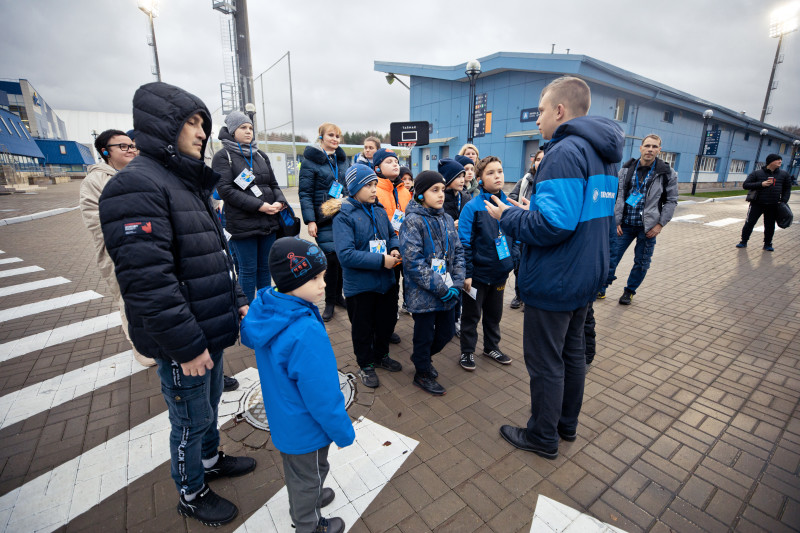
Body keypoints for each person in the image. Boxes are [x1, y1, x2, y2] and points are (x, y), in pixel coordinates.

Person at [99, 82, 255, 526]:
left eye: (203, 123)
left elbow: (218, 254)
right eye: (191, 122)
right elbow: (149, 284)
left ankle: (209, 461)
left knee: (207, 410)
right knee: (188, 420)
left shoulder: (185, 182)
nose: (201, 131)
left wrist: (238, 299)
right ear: (162, 125)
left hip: (209, 324)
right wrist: (185, 346)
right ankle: (191, 490)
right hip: (183, 341)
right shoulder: (137, 186)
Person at [485, 76, 623, 459]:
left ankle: (542, 436)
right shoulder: (604, 154)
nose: (538, 120)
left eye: (542, 111)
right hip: (585, 272)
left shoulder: (563, 152)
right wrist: (536, 211)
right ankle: (566, 425)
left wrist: (508, 216)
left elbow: (554, 225)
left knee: (546, 362)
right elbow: (578, 216)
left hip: (557, 278)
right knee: (572, 354)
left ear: (560, 111)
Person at [241, 237, 354, 533]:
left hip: (284, 418)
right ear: (292, 282)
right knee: (311, 473)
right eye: (315, 278)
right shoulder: (303, 331)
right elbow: (322, 393)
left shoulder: (270, 307)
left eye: (324, 277)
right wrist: (341, 430)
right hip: (307, 427)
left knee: (298, 473)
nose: (324, 285)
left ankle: (310, 498)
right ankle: (309, 524)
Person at [79, 129, 155, 368]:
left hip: (151, 249)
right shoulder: (95, 181)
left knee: (153, 296)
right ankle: (140, 347)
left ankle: (156, 340)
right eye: (122, 146)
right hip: (119, 254)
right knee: (128, 300)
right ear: (105, 152)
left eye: (131, 145)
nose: (131, 149)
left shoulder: (143, 175)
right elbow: (96, 221)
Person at [330, 164, 403, 388]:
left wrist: (394, 248)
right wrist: (382, 260)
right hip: (361, 287)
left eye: (374, 185)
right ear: (354, 188)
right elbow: (346, 255)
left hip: (386, 282)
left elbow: (392, 234)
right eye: (368, 186)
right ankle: (366, 365)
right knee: (362, 328)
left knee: (386, 322)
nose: (374, 190)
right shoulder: (343, 216)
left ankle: (381, 356)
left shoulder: (380, 210)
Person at [400, 171, 465, 395]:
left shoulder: (446, 218)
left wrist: (456, 284)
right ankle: (422, 373)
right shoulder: (412, 221)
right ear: (420, 195)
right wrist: (440, 287)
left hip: (447, 290)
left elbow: (458, 252)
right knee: (424, 335)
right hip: (424, 293)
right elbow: (413, 262)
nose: (440, 194)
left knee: (446, 333)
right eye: (434, 190)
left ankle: (422, 358)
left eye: (442, 189)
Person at [213, 111, 287, 303]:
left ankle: (263, 308)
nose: (248, 132)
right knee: (247, 270)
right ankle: (247, 314)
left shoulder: (260, 155)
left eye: (250, 128)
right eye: (243, 128)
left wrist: (279, 202)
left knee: (265, 269)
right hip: (242, 225)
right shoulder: (223, 156)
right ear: (231, 131)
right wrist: (260, 206)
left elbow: (274, 184)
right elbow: (225, 190)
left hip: (268, 222)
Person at [599, 134, 678, 304]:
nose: (650, 149)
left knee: (641, 262)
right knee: (611, 256)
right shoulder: (626, 169)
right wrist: (616, 221)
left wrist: (660, 224)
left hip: (648, 227)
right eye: (647, 146)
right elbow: (617, 196)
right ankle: (602, 287)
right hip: (625, 224)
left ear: (659, 150)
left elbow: (671, 201)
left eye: (654, 147)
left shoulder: (667, 173)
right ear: (641, 148)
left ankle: (629, 291)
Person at [457, 156, 517, 371]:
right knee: (471, 315)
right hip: (477, 276)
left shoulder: (509, 205)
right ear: (480, 179)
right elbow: (464, 243)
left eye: (499, 171)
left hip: (499, 274)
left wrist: (512, 261)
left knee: (494, 315)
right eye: (490, 173)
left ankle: (492, 347)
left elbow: (516, 236)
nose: (497, 176)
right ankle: (467, 351)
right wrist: (467, 273)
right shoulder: (472, 207)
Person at [299, 122, 348, 321]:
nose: (335, 139)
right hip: (323, 218)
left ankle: (338, 296)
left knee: (343, 258)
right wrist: (311, 220)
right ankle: (329, 301)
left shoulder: (342, 160)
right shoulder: (310, 160)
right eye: (331, 135)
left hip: (342, 216)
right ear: (321, 137)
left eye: (337, 136)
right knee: (331, 260)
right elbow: (305, 193)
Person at [374, 148, 412, 344]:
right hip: (385, 251)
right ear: (377, 167)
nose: (395, 164)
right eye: (389, 161)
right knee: (384, 292)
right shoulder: (374, 190)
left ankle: (388, 327)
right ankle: (381, 331)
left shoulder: (405, 191)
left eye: (396, 161)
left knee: (398, 290)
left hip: (404, 250)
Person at [508, 149, 545, 309]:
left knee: (536, 266)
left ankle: (532, 297)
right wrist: (520, 210)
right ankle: (519, 295)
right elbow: (511, 199)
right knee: (520, 266)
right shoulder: (524, 180)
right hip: (523, 229)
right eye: (537, 159)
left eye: (544, 159)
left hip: (540, 230)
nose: (540, 162)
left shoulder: (550, 181)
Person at [736, 153, 792, 252]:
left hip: (773, 205)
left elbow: (787, 189)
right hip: (757, 204)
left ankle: (768, 244)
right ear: (770, 162)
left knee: (770, 225)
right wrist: (761, 184)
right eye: (777, 160)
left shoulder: (784, 174)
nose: (780, 162)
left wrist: (783, 201)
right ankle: (743, 241)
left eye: (780, 160)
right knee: (750, 223)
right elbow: (746, 185)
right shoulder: (757, 173)